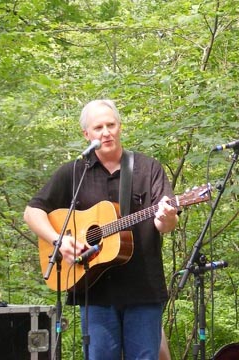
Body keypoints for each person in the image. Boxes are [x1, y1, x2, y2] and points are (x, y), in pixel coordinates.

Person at [24, 99, 178, 359]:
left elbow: (165, 226)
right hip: (94, 291)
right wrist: (58, 240)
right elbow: (32, 212)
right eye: (98, 128)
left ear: (120, 127)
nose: (106, 132)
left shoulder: (147, 168)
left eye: (111, 125)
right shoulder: (74, 172)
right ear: (87, 134)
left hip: (143, 288)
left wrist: (167, 215)